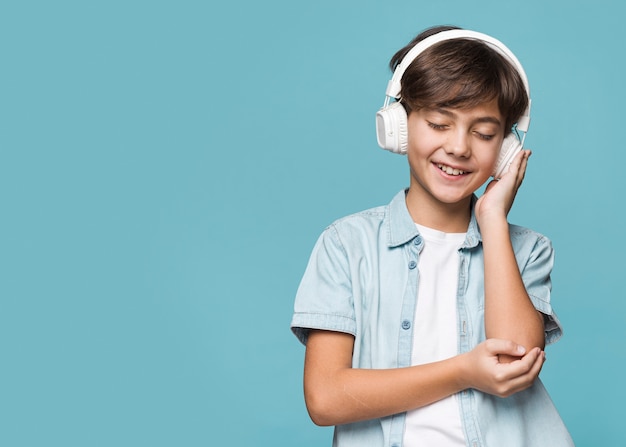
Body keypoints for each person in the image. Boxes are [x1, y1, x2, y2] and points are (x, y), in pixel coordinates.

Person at [290, 25, 574, 447]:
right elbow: (325, 398)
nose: (460, 147)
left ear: (507, 148)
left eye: (483, 133)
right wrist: (462, 371)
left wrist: (492, 219)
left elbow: (515, 359)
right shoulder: (346, 246)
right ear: (398, 126)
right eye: (440, 123)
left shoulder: (527, 249)